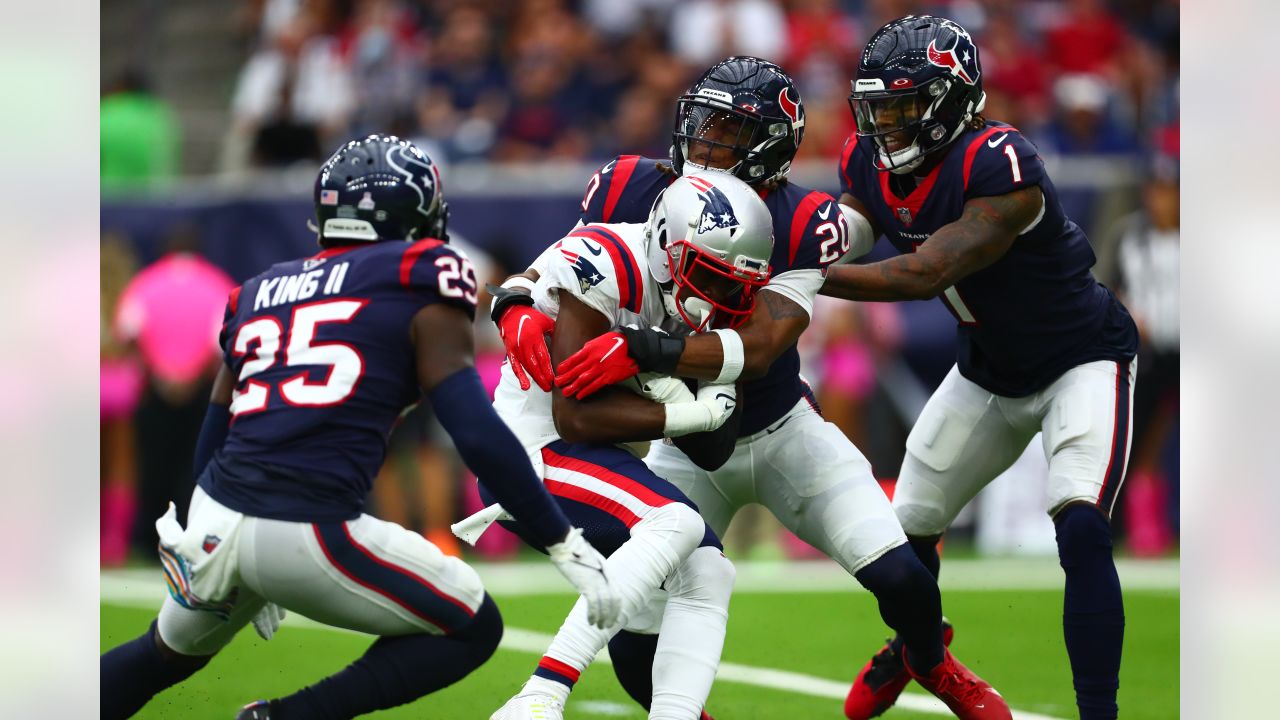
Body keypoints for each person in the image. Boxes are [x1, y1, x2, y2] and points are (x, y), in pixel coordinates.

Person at [510, 56, 1009, 720]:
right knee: (635, 654)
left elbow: (763, 345)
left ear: (771, 148)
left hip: (778, 426)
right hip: (683, 438)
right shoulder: (630, 186)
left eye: (731, 133)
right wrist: (515, 298)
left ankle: (931, 662)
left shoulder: (798, 222)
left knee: (903, 579)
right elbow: (572, 267)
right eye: (704, 125)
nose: (708, 145)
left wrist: (646, 347)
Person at [99, 134, 620, 720]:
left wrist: (212, 534)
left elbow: (215, 428)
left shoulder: (258, 291)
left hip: (219, 508)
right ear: (418, 215)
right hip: (304, 522)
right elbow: (472, 428)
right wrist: (558, 537)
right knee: (473, 625)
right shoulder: (424, 272)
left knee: (161, 653)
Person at [478, 170, 770, 720]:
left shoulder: (706, 298)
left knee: (709, 569)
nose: (721, 297)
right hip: (529, 452)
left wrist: (659, 358)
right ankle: (538, 697)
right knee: (677, 523)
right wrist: (688, 407)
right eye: (709, 275)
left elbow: (715, 447)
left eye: (733, 283)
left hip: (582, 455)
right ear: (666, 249)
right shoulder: (608, 263)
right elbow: (573, 417)